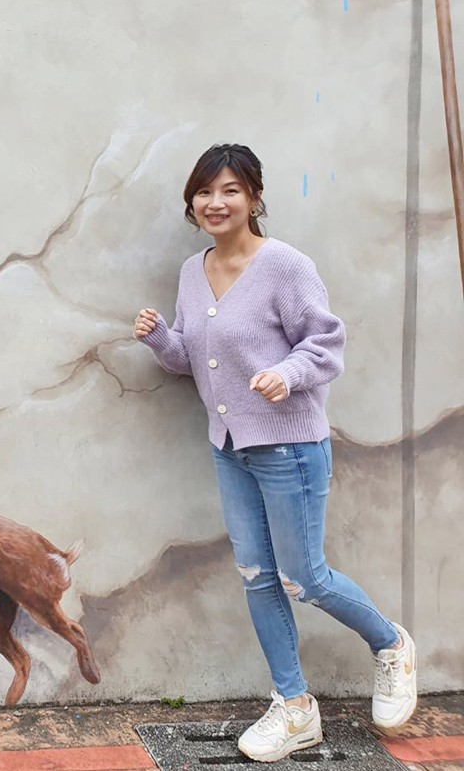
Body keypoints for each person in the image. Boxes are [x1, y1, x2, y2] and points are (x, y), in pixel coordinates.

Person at [134, 144, 416, 762]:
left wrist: (287, 374)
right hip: (230, 448)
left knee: (304, 578)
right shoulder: (192, 271)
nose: (216, 202)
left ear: (255, 198)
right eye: (204, 192)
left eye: (230, 190)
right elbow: (192, 359)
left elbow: (326, 342)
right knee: (257, 577)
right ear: (192, 203)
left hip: (289, 446)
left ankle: (390, 645)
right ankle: (294, 708)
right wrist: (161, 339)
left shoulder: (285, 265)